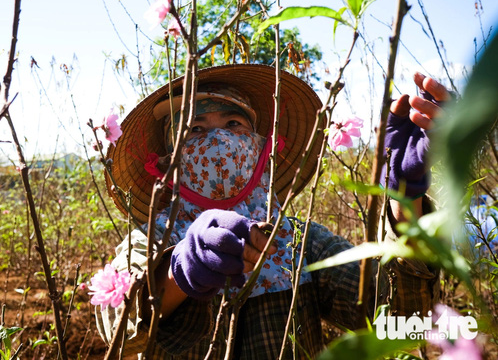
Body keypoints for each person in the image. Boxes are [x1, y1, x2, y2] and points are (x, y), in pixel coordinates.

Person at [95, 64, 445, 359]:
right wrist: (182, 272)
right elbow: (117, 331)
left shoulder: (299, 243)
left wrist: (403, 198)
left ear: (262, 149)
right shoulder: (150, 240)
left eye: (234, 125)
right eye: (194, 130)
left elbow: (402, 318)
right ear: (170, 162)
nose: (218, 141)